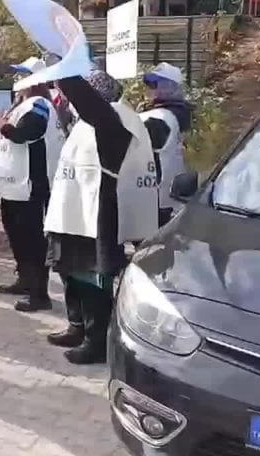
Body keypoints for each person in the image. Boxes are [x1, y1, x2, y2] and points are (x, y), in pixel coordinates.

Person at [45, 69, 158, 365]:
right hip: (71, 211)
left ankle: (96, 342)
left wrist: (64, 70)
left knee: (92, 280)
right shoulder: (84, 123)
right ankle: (76, 326)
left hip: (96, 215)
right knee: (69, 270)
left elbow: (89, 104)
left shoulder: (113, 122)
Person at [0, 58, 64, 312]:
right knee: (16, 234)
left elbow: (24, 133)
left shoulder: (39, 105)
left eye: (23, 75)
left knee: (32, 238)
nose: (17, 79)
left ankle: (39, 293)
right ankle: (24, 279)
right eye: (16, 75)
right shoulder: (20, 105)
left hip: (30, 184)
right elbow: (6, 135)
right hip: (12, 185)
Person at [138, 63, 193, 227]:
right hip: (169, 192)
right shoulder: (178, 113)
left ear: (169, 87)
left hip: (155, 195)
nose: (151, 89)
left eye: (156, 84)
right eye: (150, 84)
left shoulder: (159, 118)